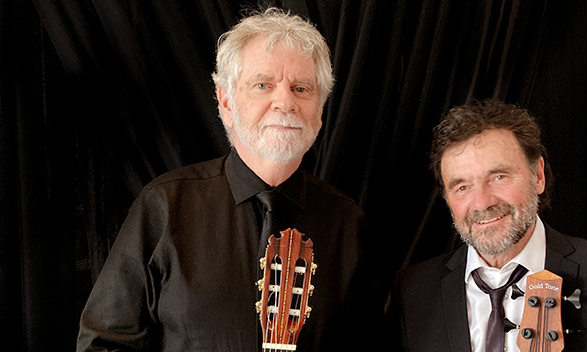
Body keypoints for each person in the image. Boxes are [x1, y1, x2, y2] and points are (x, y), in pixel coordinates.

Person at [77, 8, 382, 352]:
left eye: (301, 88)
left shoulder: (347, 224)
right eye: (263, 85)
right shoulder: (164, 207)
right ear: (225, 101)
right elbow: (103, 344)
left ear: (320, 110)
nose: (284, 102)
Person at [388, 99, 587, 351]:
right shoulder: (414, 291)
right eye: (462, 186)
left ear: (538, 175)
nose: (482, 202)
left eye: (498, 176)